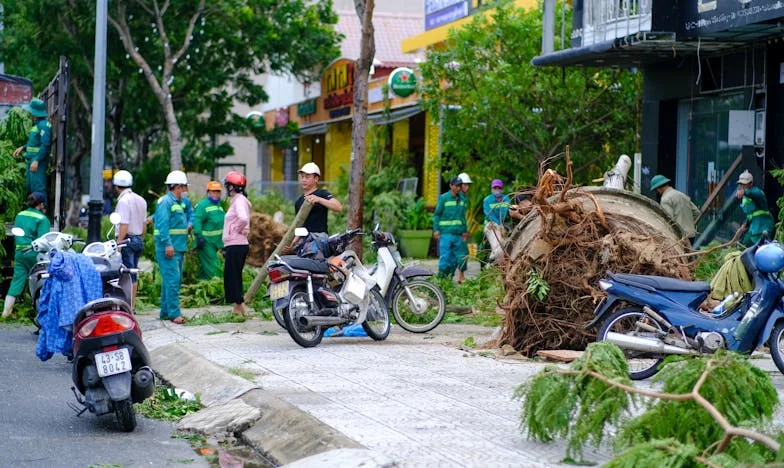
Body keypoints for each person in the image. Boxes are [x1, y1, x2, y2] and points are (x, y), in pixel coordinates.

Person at [3, 192, 51, 317]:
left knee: (17, 281)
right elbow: (42, 241)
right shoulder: (42, 219)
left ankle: (5, 313)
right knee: (40, 281)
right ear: (41, 205)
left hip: (20, 253)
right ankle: (40, 313)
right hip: (34, 254)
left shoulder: (20, 215)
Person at [153, 170, 189, 324]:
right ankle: (174, 314)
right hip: (169, 248)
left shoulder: (177, 203)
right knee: (173, 280)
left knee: (170, 281)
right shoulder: (166, 202)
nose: (186, 190)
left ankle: (165, 312)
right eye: (185, 187)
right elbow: (162, 225)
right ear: (178, 187)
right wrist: (168, 244)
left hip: (178, 247)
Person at [113, 170, 147, 311]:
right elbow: (144, 224)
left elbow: (124, 225)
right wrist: (140, 238)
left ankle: (128, 307)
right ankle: (132, 305)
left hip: (127, 240)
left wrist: (118, 244)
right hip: (138, 239)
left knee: (126, 275)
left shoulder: (123, 201)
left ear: (116, 186)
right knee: (133, 274)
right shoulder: (141, 200)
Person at [222, 172, 252, 316]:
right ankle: (238, 308)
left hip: (236, 244)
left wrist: (235, 229)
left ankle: (240, 308)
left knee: (232, 277)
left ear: (232, 187)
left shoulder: (239, 200)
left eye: (227, 185)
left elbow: (243, 218)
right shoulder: (237, 200)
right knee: (233, 276)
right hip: (235, 244)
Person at [13, 98, 52, 197]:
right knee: (31, 189)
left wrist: (37, 160)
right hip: (32, 160)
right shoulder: (37, 125)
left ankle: (42, 207)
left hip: (37, 161)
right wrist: (23, 148)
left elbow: (46, 144)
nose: (28, 113)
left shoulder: (44, 125)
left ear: (34, 113)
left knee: (38, 190)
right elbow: (35, 143)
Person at [433, 176, 468, 281]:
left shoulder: (463, 199)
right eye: (456, 186)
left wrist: (465, 231)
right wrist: (436, 229)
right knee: (445, 257)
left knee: (454, 260)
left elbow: (463, 217)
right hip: (446, 233)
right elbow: (437, 214)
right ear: (451, 186)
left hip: (458, 234)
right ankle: (441, 280)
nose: (458, 188)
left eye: (460, 186)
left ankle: (448, 280)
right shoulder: (444, 198)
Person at [294, 162, 343, 234]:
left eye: (307, 177)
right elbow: (298, 226)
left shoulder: (322, 193)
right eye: (302, 177)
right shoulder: (298, 201)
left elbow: (339, 207)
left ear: (316, 179)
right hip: (303, 239)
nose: (304, 180)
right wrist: (293, 241)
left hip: (319, 238)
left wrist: (319, 199)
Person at [650, 174, 700, 242]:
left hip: (678, 237)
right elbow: (696, 212)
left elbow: (669, 220)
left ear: (658, 189)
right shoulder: (682, 195)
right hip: (690, 234)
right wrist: (688, 224)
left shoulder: (665, 199)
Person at [193, 181, 225, 280]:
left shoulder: (219, 206)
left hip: (216, 243)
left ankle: (201, 283)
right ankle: (218, 284)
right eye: (213, 192)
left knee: (205, 268)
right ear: (208, 192)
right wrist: (199, 236)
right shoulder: (202, 205)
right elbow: (197, 220)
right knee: (215, 268)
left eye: (217, 192)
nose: (216, 194)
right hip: (206, 242)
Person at [736, 170, 775, 245]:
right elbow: (751, 214)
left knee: (760, 247)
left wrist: (744, 192)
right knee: (744, 245)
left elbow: (755, 194)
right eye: (741, 184)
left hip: (762, 227)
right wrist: (746, 224)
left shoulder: (757, 192)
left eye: (744, 184)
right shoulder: (745, 197)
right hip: (753, 228)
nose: (742, 186)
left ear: (751, 183)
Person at [483, 179, 511, 263]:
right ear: (491, 189)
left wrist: (505, 227)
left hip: (504, 225)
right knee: (498, 249)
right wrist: (499, 226)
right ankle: (493, 261)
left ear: (502, 189)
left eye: (499, 188)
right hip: (492, 225)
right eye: (495, 188)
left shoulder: (506, 199)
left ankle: (493, 261)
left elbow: (508, 213)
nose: (497, 190)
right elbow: (489, 215)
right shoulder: (487, 200)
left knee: (506, 246)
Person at [455, 172, 473, 282]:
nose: (467, 187)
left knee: (462, 253)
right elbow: (459, 216)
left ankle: (460, 276)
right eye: (465, 184)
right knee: (462, 253)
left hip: (460, 229)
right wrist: (463, 231)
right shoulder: (459, 198)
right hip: (458, 231)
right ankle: (460, 276)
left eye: (468, 185)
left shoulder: (464, 198)